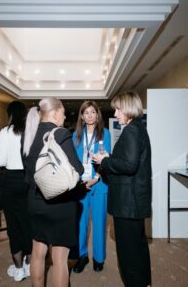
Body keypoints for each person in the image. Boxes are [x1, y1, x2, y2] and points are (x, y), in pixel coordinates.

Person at [22, 97, 84, 287]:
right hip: (60, 205)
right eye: (64, 113)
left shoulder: (28, 134)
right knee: (59, 260)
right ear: (55, 112)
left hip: (34, 201)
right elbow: (77, 169)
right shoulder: (60, 134)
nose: (65, 117)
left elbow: (28, 169)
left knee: (38, 254)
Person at [92, 91, 152, 287]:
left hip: (128, 203)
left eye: (118, 109)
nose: (115, 114)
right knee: (138, 249)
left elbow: (129, 166)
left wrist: (105, 160)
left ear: (127, 108)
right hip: (132, 202)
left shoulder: (132, 131)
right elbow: (129, 162)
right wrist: (110, 158)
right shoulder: (136, 128)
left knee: (129, 255)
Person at [0, 101, 32, 282]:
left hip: (10, 182)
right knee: (28, 224)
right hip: (28, 181)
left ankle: (18, 270)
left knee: (13, 226)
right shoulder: (31, 131)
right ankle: (30, 265)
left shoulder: (5, 132)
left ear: (10, 114)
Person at [72, 100, 111, 273]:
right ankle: (82, 256)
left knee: (99, 222)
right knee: (80, 223)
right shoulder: (76, 136)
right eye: (86, 112)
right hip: (80, 185)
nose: (89, 115)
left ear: (97, 114)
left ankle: (98, 257)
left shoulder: (105, 133)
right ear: (81, 116)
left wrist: (96, 178)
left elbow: (107, 159)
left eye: (92, 112)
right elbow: (72, 160)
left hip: (99, 183)